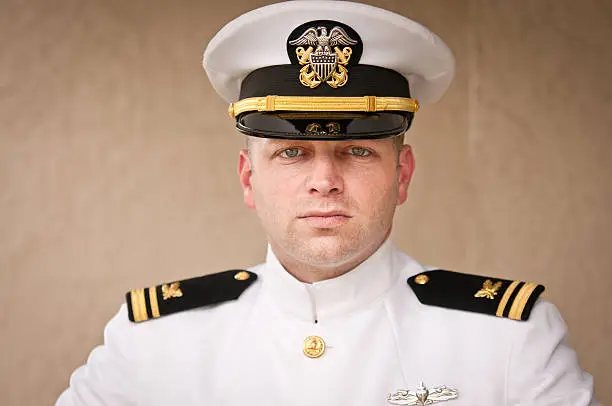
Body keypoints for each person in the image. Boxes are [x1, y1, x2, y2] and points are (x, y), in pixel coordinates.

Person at [57, 1, 597, 405]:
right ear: (249, 179)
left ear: (402, 174)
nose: (325, 180)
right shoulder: (150, 342)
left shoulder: (511, 341)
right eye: (292, 152)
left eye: (357, 151)